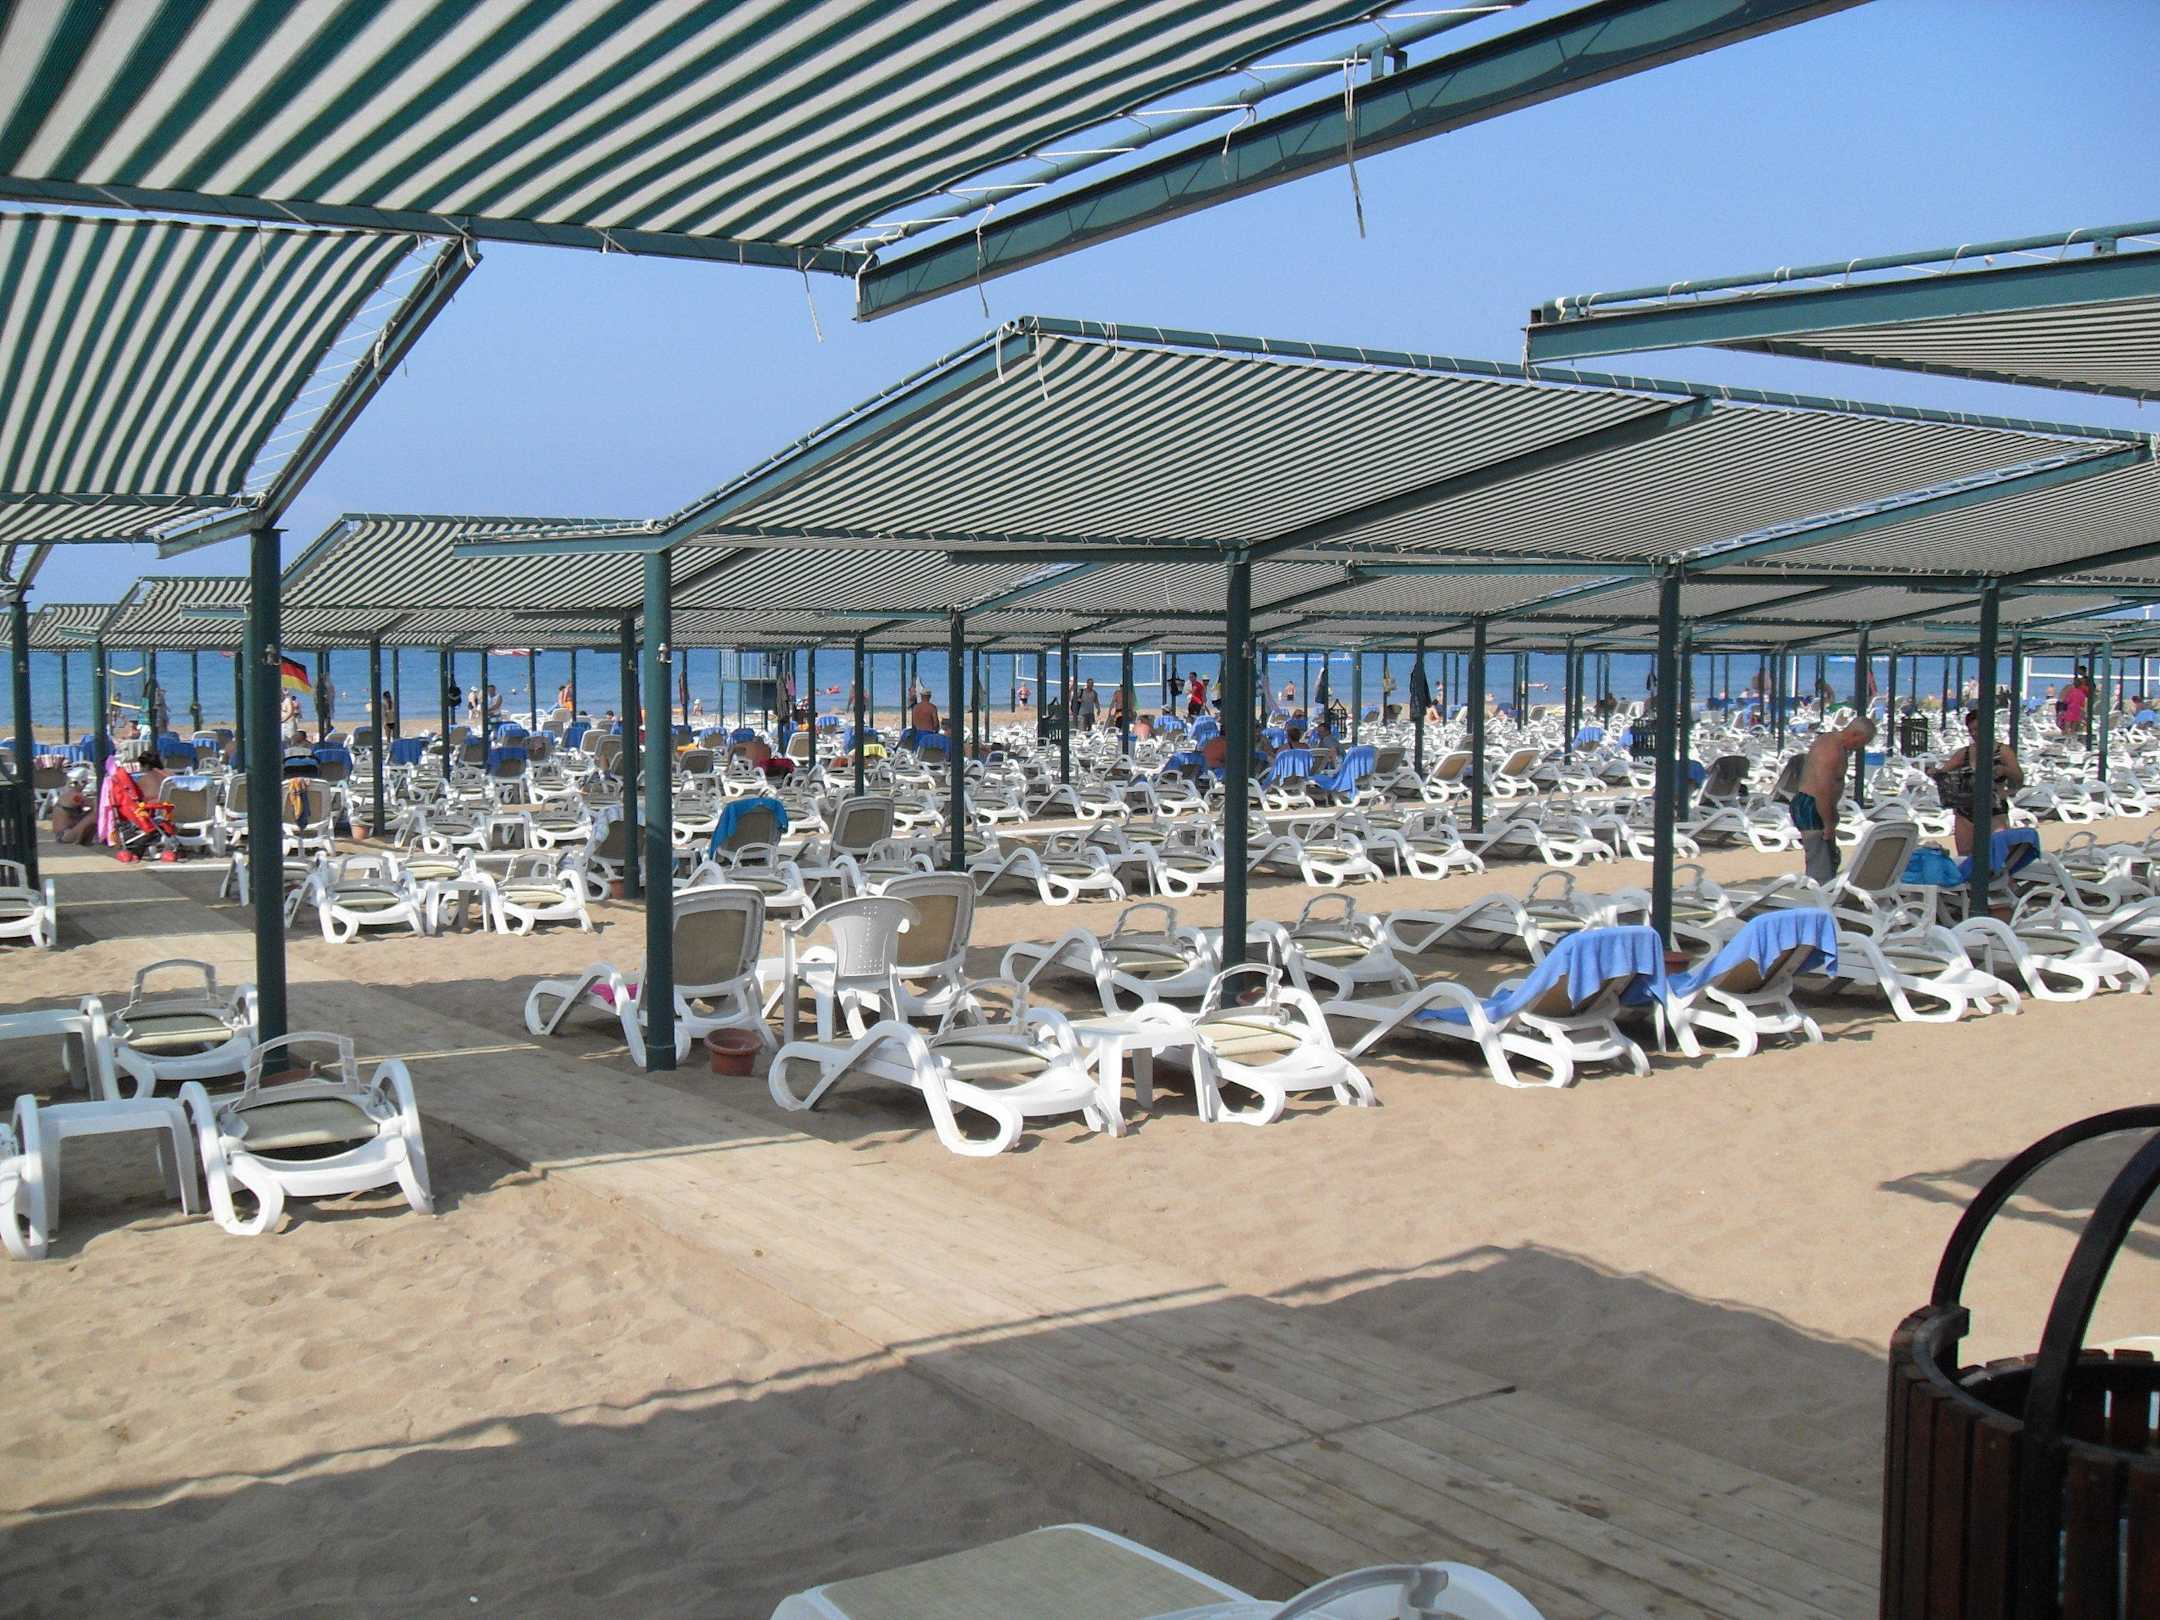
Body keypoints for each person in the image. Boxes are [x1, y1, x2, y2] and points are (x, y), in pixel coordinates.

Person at [1791, 719, 1875, 883]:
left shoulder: (1832, 741)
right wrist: (1828, 823)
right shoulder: (1831, 752)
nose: (1859, 748)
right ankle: (1818, 893)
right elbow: (1823, 791)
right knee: (1820, 864)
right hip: (1812, 806)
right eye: (1861, 743)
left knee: (1831, 857)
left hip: (1815, 805)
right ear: (1854, 734)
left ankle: (1823, 889)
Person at [1932, 709, 2023, 857]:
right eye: (1971, 730)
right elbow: (1943, 772)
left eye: (1977, 729)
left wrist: (2005, 770)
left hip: (1994, 808)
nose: (1974, 733)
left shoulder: (2003, 751)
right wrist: (1933, 773)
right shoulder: (1965, 753)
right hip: (1965, 809)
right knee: (1965, 854)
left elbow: (2019, 778)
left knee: (1998, 853)